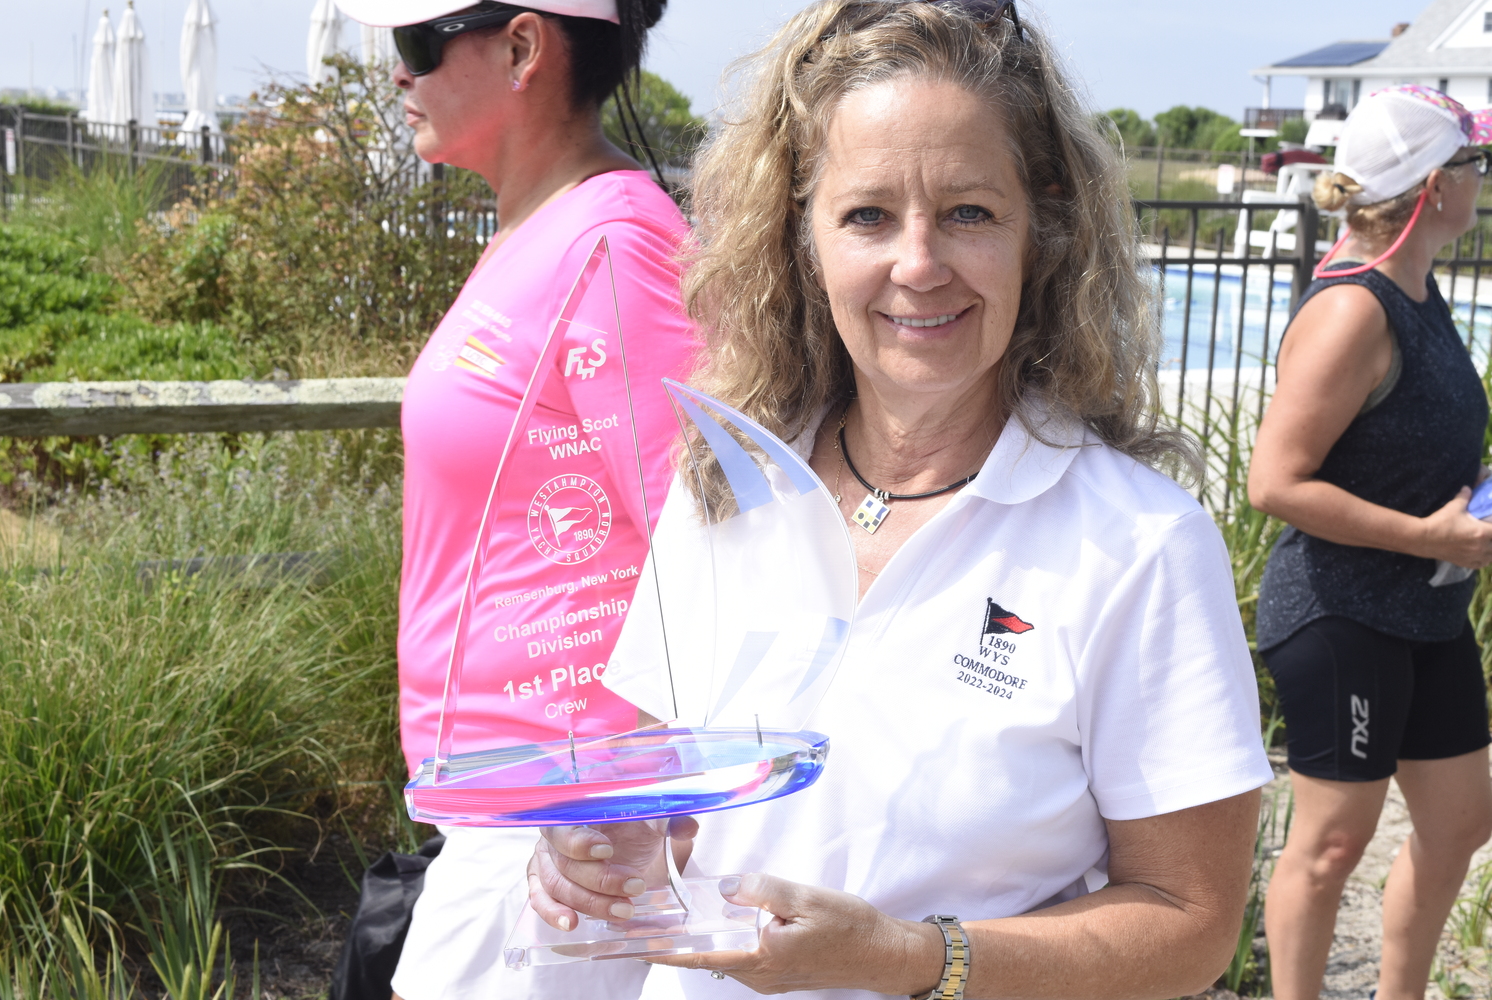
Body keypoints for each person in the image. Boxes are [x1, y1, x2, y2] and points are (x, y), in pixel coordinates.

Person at [526, 3, 1275, 998]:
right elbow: (658, 792)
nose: (918, 265)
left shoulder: (1139, 542)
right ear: (803, 236)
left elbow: (1189, 925)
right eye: (868, 214)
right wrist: (598, 845)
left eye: (968, 211)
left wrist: (909, 957)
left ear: (1039, 230)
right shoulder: (726, 483)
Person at [328, 1, 696, 998]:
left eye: (415, 42)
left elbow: (710, 547)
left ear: (525, 45)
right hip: (510, 822)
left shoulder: (615, 249)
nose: (396, 74)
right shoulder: (543, 231)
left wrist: (636, 812)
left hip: (566, 848)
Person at [1249, 85, 1492, 1000]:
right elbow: (1273, 482)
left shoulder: (1415, 290)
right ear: (1434, 187)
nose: (1483, 179)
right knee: (1333, 843)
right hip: (1342, 611)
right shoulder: (1354, 308)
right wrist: (1428, 532)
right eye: (1476, 163)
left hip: (1427, 606)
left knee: (1462, 822)